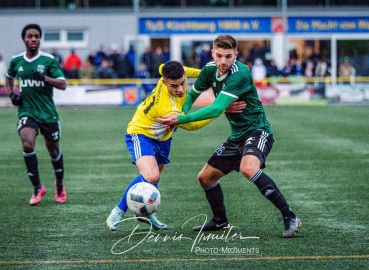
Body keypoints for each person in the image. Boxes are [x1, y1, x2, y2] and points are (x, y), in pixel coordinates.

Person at [157, 35, 302, 238]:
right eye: (219, 55)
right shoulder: (209, 70)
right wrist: (182, 114)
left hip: (258, 131)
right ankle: (220, 221)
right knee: (205, 178)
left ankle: (290, 216)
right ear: (212, 54)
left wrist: (180, 120)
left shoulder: (240, 73)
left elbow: (216, 108)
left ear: (236, 55)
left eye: (228, 56)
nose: (223, 61)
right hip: (237, 137)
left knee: (248, 168)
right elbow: (191, 95)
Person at [106, 60, 245, 231]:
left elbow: (191, 72)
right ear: (164, 82)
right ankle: (118, 211)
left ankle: (145, 213)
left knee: (153, 180)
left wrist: (210, 73)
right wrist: (222, 108)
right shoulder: (167, 108)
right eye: (174, 86)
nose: (180, 89)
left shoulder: (167, 70)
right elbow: (193, 125)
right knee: (151, 176)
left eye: (182, 83)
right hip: (141, 133)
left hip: (163, 137)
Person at [6, 23, 67, 205]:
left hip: (47, 113)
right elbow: (9, 77)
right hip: (27, 111)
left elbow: (62, 84)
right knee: (27, 144)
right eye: (30, 36)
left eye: (36, 36)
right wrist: (12, 94)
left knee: (53, 149)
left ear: (39, 39)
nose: (33, 39)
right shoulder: (17, 61)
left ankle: (59, 185)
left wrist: (44, 78)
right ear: (24, 39)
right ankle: (37, 188)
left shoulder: (48, 60)